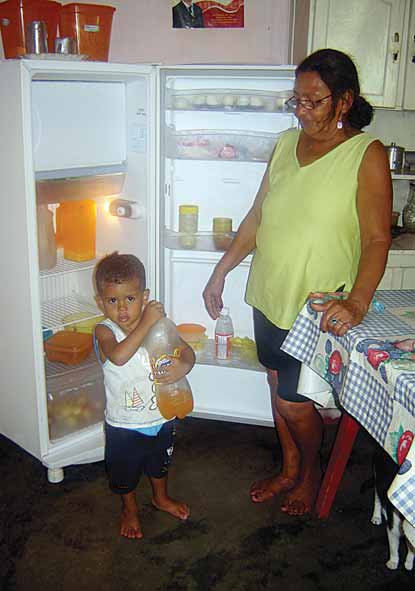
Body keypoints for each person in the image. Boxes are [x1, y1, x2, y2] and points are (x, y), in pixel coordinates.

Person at [203, 48, 392, 516]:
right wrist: (222, 268)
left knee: (296, 402)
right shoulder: (286, 144)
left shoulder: (365, 154)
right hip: (270, 291)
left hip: (317, 308)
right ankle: (289, 467)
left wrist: (359, 303)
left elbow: (375, 238)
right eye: (297, 101)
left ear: (344, 101)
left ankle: (310, 474)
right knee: (276, 384)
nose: (303, 110)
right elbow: (257, 216)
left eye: (314, 101)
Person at [94, 252, 195, 538]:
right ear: (101, 302)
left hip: (161, 415)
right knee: (125, 475)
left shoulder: (160, 326)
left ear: (144, 295)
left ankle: (160, 497)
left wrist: (183, 366)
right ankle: (129, 508)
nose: (122, 308)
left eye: (130, 298)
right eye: (113, 300)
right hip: (125, 424)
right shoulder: (105, 330)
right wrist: (145, 323)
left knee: (159, 464)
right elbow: (118, 357)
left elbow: (186, 350)